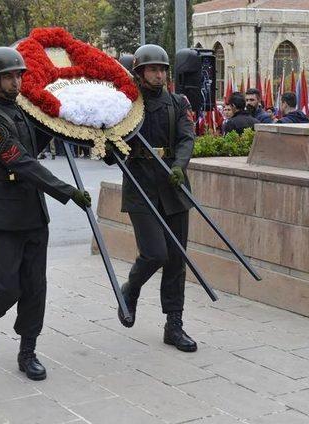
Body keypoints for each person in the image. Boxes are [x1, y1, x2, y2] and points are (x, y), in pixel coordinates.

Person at [0, 46, 91, 380]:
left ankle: (28, 351)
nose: (15, 82)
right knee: (5, 286)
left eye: (17, 75)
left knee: (35, 285)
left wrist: (69, 121)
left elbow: (36, 144)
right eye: (8, 77)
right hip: (1, 212)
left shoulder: (22, 112)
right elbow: (19, 161)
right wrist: (67, 192)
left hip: (32, 211)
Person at [108, 43, 198, 353]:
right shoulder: (127, 106)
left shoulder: (178, 102)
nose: (159, 75)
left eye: (162, 69)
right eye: (152, 70)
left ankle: (174, 324)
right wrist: (110, 145)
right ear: (140, 73)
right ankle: (130, 290)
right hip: (140, 186)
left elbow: (187, 138)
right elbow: (111, 149)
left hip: (173, 187)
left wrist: (178, 166)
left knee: (176, 260)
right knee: (154, 254)